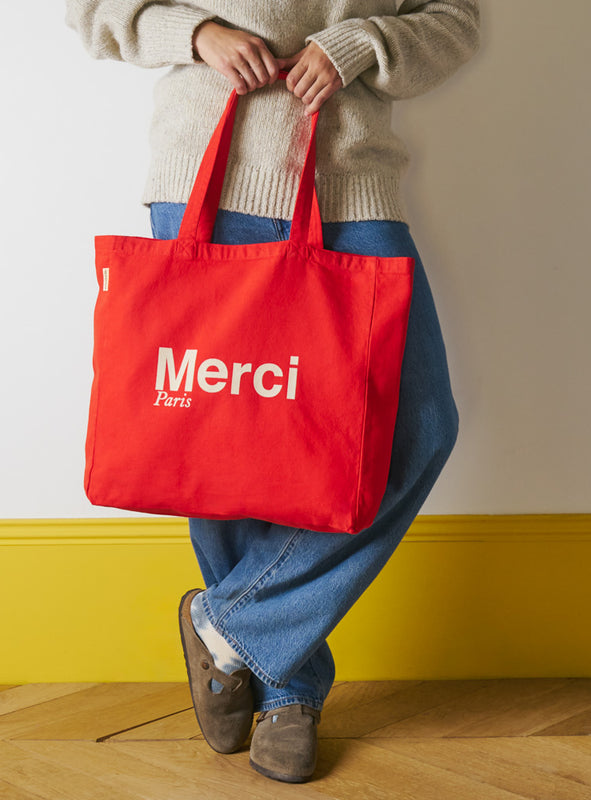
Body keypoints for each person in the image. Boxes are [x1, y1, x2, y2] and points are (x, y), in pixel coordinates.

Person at [66, 0, 480, 784]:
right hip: (204, 178)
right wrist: (197, 34)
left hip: (350, 178)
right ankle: (286, 690)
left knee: (417, 428)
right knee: (225, 450)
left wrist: (363, 42)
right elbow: (93, 9)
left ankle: (228, 628)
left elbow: (455, 19)